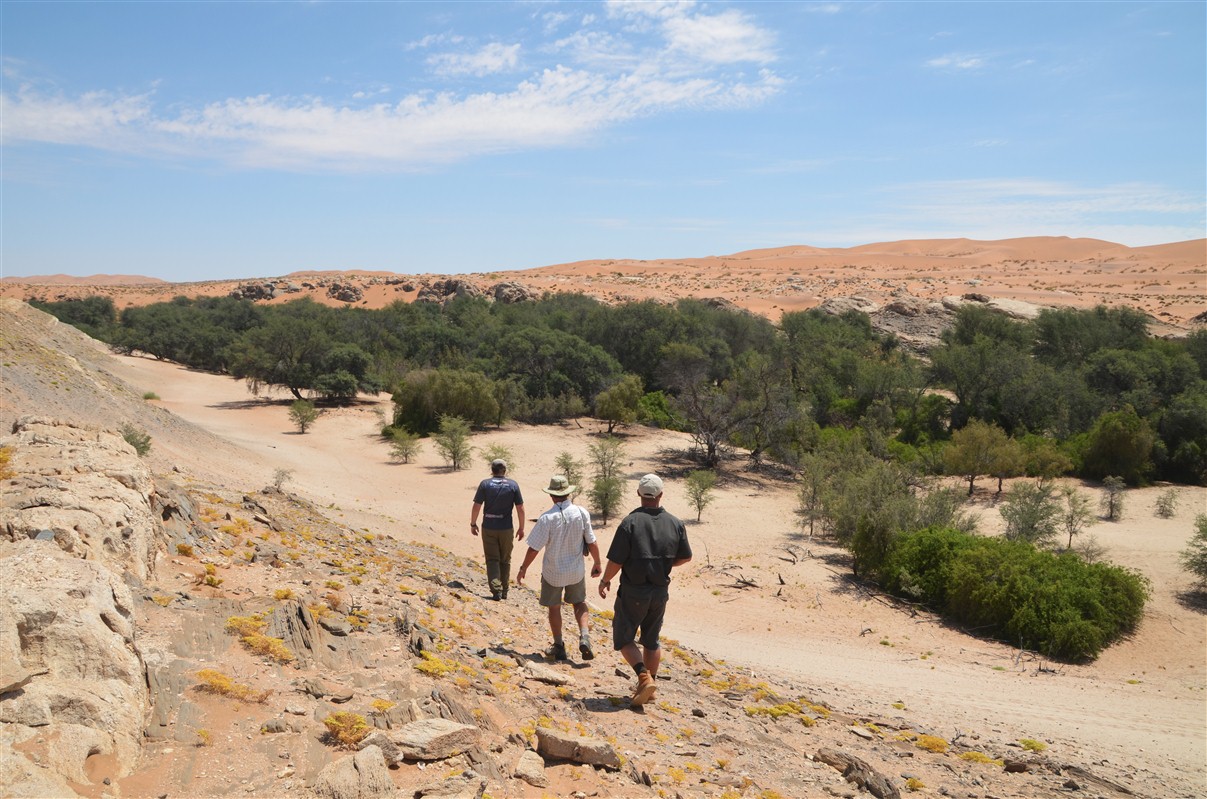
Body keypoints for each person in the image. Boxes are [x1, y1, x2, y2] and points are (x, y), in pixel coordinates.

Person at [598, 473, 691, 706]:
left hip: (633, 591)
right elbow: (686, 557)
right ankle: (652, 684)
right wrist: (665, 563)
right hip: (660, 592)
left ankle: (643, 676)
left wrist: (605, 580)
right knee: (651, 641)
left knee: (624, 638)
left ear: (639, 493)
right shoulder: (675, 523)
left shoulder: (630, 523)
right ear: (660, 495)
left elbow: (617, 560)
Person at [516, 474, 602, 662]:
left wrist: (523, 568)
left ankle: (559, 645)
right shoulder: (581, 513)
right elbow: (592, 542)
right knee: (579, 603)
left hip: (553, 572)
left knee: (554, 608)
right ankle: (585, 636)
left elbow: (534, 548)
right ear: (568, 493)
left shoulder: (547, 518)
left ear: (552, 496)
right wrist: (597, 563)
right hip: (576, 571)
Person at [470, 459, 525, 600]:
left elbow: (477, 506)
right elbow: (520, 508)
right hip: (506, 528)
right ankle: (505, 590)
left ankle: (496, 591)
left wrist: (473, 523)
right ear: (505, 470)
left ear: (492, 470)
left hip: (488, 527)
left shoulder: (485, 484)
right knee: (505, 559)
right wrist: (521, 527)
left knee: (492, 559)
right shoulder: (513, 485)